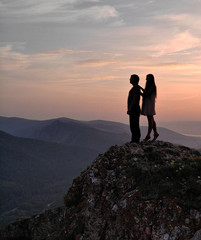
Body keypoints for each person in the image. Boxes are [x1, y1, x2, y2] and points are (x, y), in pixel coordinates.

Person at [141, 74, 159, 141]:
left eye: (147, 78)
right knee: (151, 118)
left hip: (149, 104)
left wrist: (140, 90)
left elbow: (147, 94)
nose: (146, 80)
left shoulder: (152, 86)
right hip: (148, 103)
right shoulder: (151, 86)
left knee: (150, 119)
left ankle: (148, 135)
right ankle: (155, 133)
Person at [127, 74, 143, 143]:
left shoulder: (136, 88)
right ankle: (134, 139)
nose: (130, 79)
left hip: (134, 109)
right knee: (134, 125)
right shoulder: (136, 88)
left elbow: (135, 98)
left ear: (134, 80)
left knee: (134, 125)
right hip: (135, 109)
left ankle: (136, 140)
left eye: (131, 78)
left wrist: (130, 108)